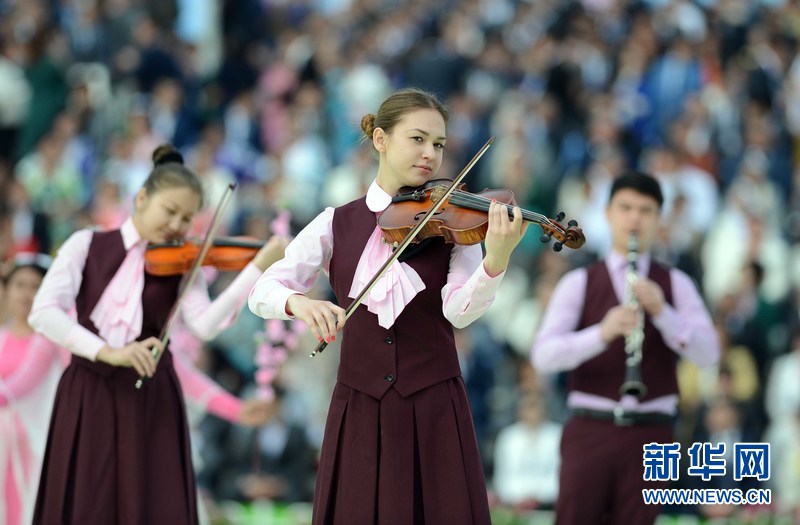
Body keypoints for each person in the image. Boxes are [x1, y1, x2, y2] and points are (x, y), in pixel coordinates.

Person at [248, 87, 528, 524]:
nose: (430, 154)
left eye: (439, 144)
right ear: (380, 139)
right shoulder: (335, 222)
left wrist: (496, 259)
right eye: (417, 139)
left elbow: (459, 312)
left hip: (434, 405)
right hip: (361, 405)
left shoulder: (454, 223)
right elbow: (263, 290)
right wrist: (299, 304)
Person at [28, 144, 288, 525]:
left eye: (187, 218)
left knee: (152, 505)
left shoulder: (182, 264)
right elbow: (43, 313)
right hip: (89, 392)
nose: (177, 225)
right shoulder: (84, 245)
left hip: (152, 397)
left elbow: (204, 324)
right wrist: (109, 352)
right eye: (170, 211)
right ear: (142, 198)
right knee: (88, 503)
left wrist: (255, 269)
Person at [532, 171, 720, 525]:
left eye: (646, 211)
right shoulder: (578, 282)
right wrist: (601, 334)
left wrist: (664, 314)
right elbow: (543, 355)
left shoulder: (677, 283)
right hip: (589, 430)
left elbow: (709, 354)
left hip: (654, 434)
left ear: (659, 218)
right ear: (608, 213)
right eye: (626, 208)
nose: (635, 219)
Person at [0, 254, 67, 525]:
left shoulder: (48, 340)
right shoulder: (2, 337)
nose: (26, 294)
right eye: (19, 285)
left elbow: (22, 384)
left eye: (35, 286)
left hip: (34, 444)